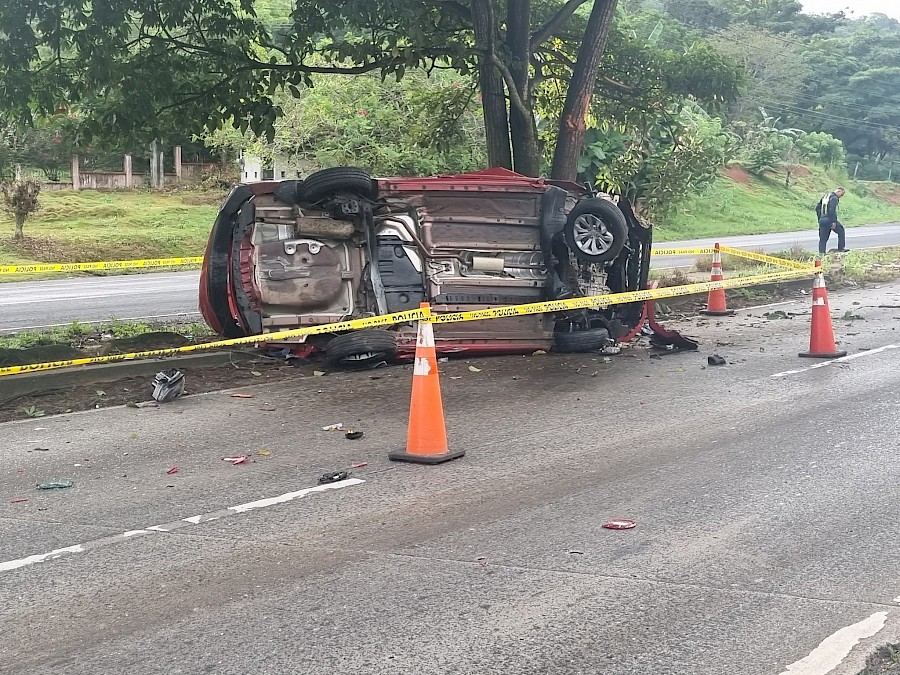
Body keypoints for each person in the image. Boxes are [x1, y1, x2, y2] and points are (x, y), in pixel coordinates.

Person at [816, 187, 849, 254]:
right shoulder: (834, 198)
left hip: (822, 219)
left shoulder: (826, 196)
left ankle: (821, 253)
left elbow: (817, 208)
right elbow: (832, 210)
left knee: (823, 239)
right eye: (841, 195)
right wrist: (833, 221)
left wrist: (820, 218)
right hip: (829, 219)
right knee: (841, 230)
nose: (841, 197)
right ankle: (841, 248)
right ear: (838, 191)